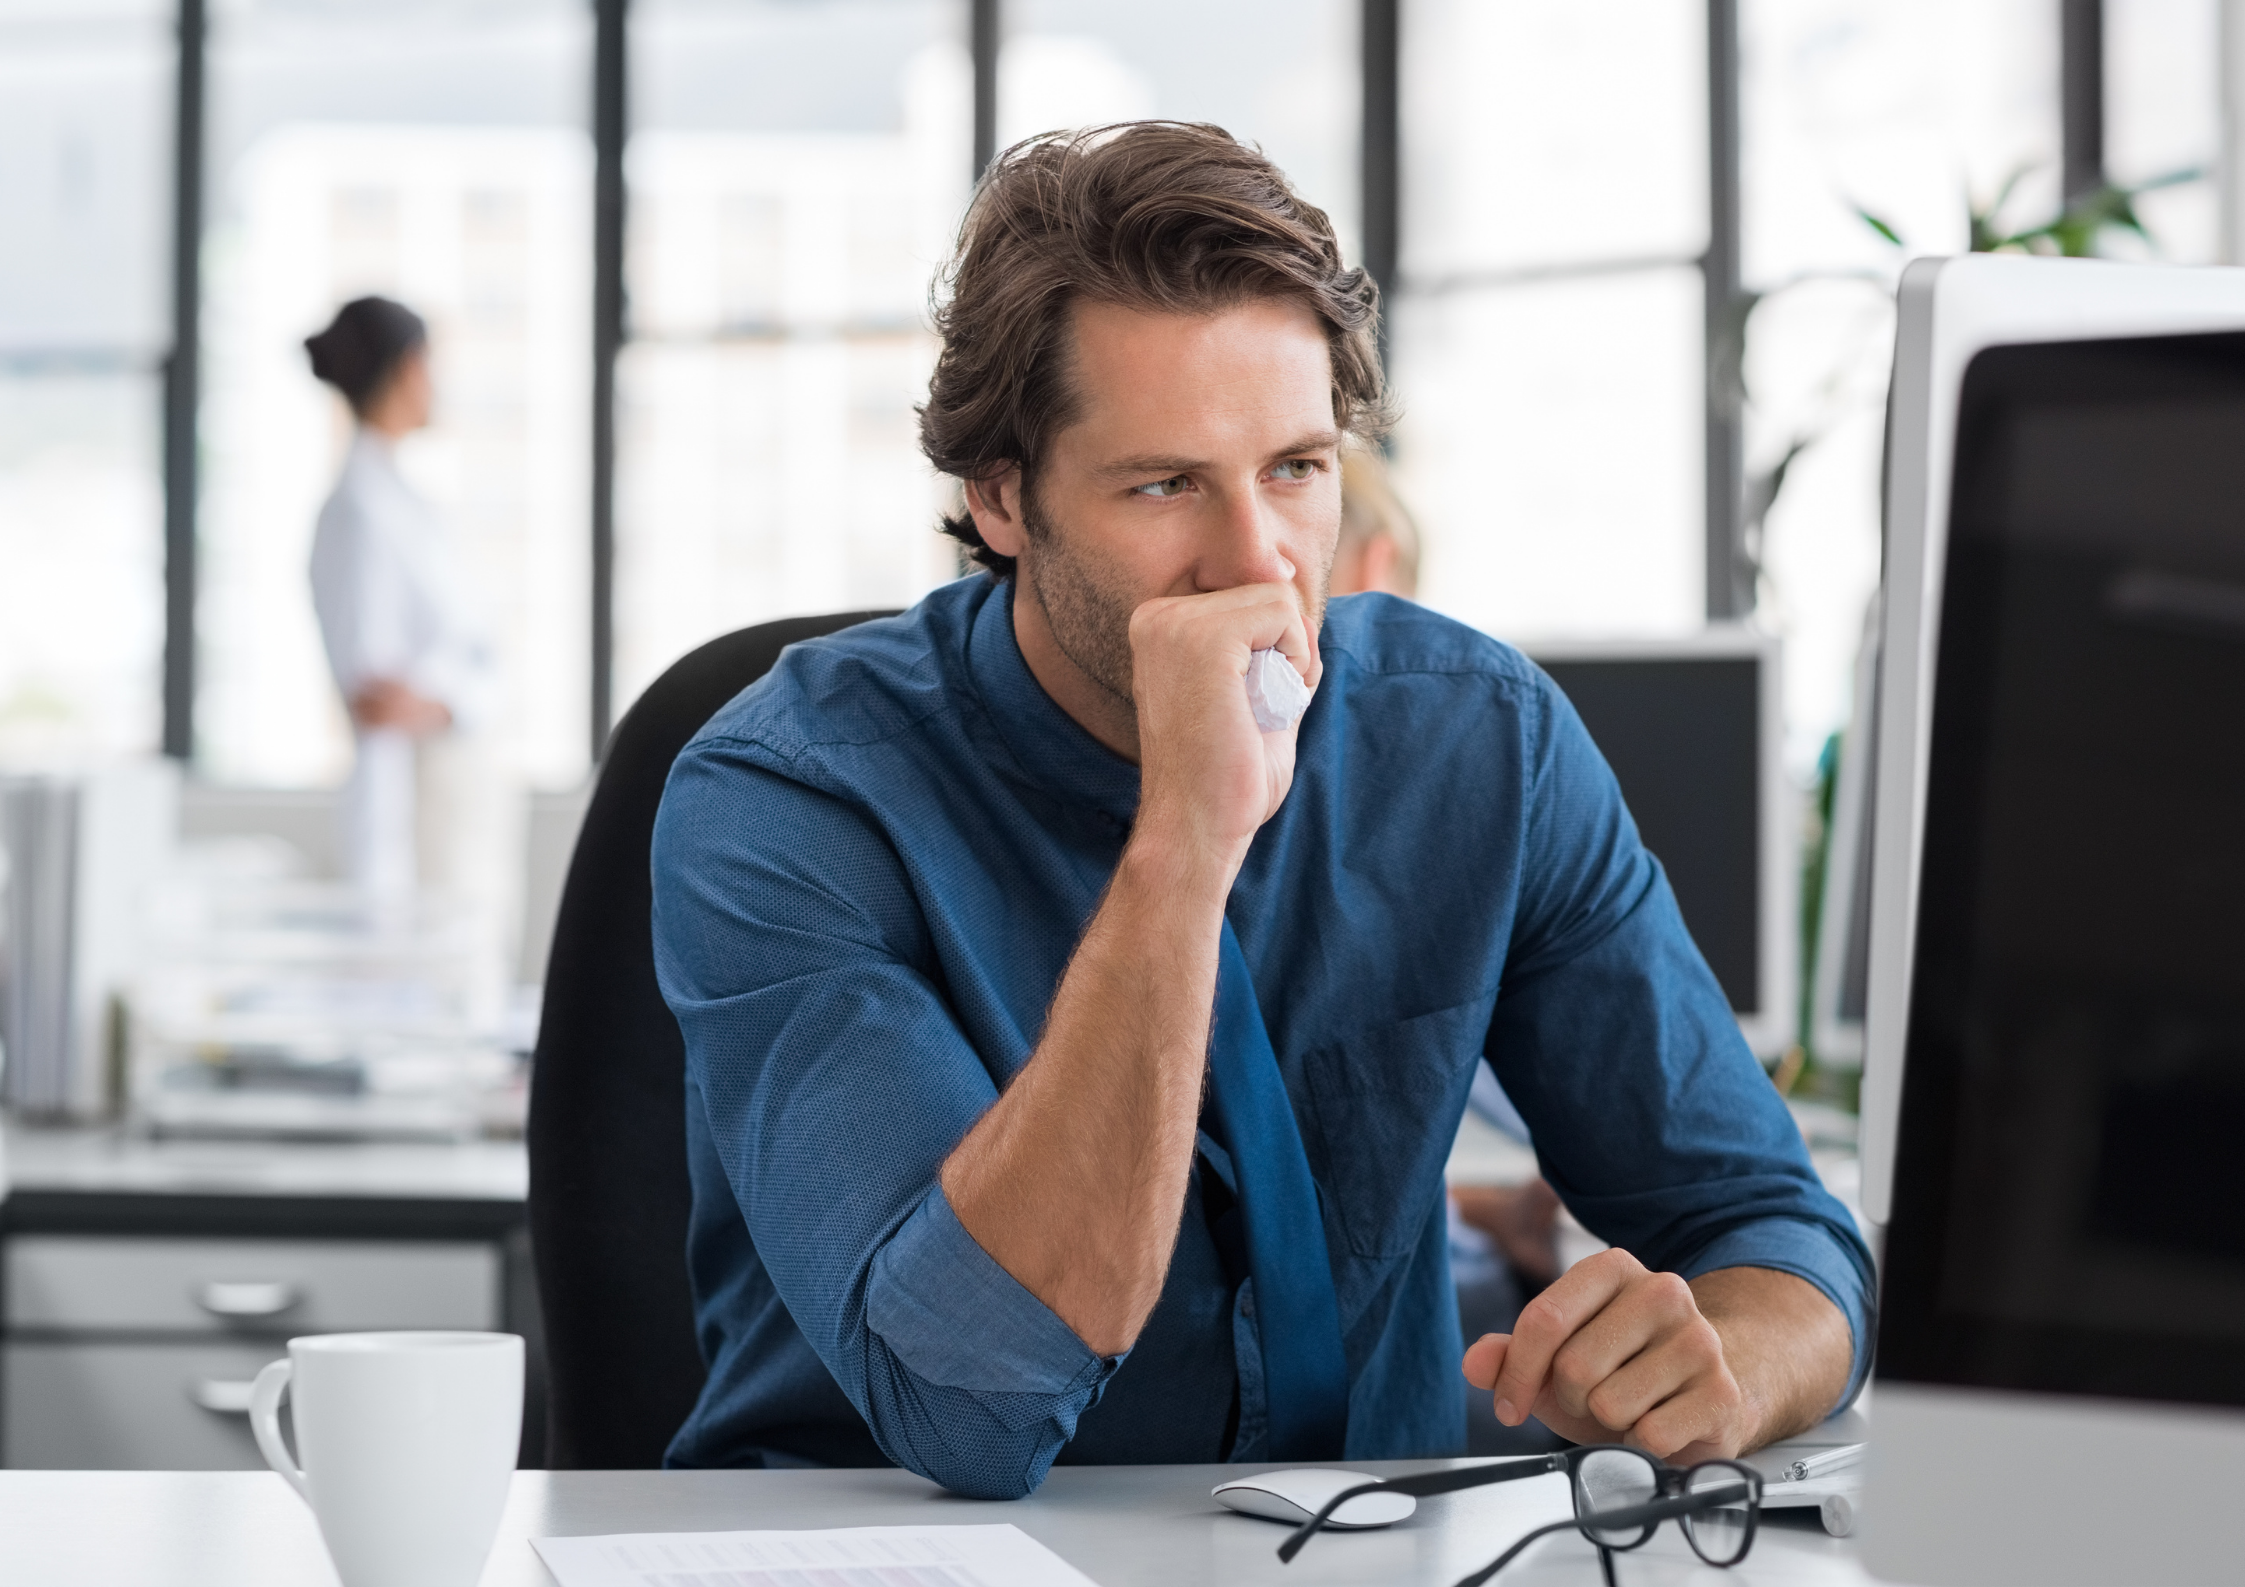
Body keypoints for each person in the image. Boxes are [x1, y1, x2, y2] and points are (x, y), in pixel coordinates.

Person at [651, 123, 1872, 1499]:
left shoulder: (1477, 741)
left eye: (1295, 468)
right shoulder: (790, 793)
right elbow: (967, 1405)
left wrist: (1729, 1360)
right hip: (900, 1549)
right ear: (999, 496)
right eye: (1166, 484)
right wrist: (1183, 842)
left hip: (1368, 1540)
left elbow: (1777, 1231)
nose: (1260, 564)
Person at [305, 298, 512, 955]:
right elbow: (379, 715)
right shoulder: (360, 515)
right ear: (406, 369)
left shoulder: (408, 504)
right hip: (419, 835)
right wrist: (381, 905)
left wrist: (447, 700)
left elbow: (475, 665)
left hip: (459, 805)